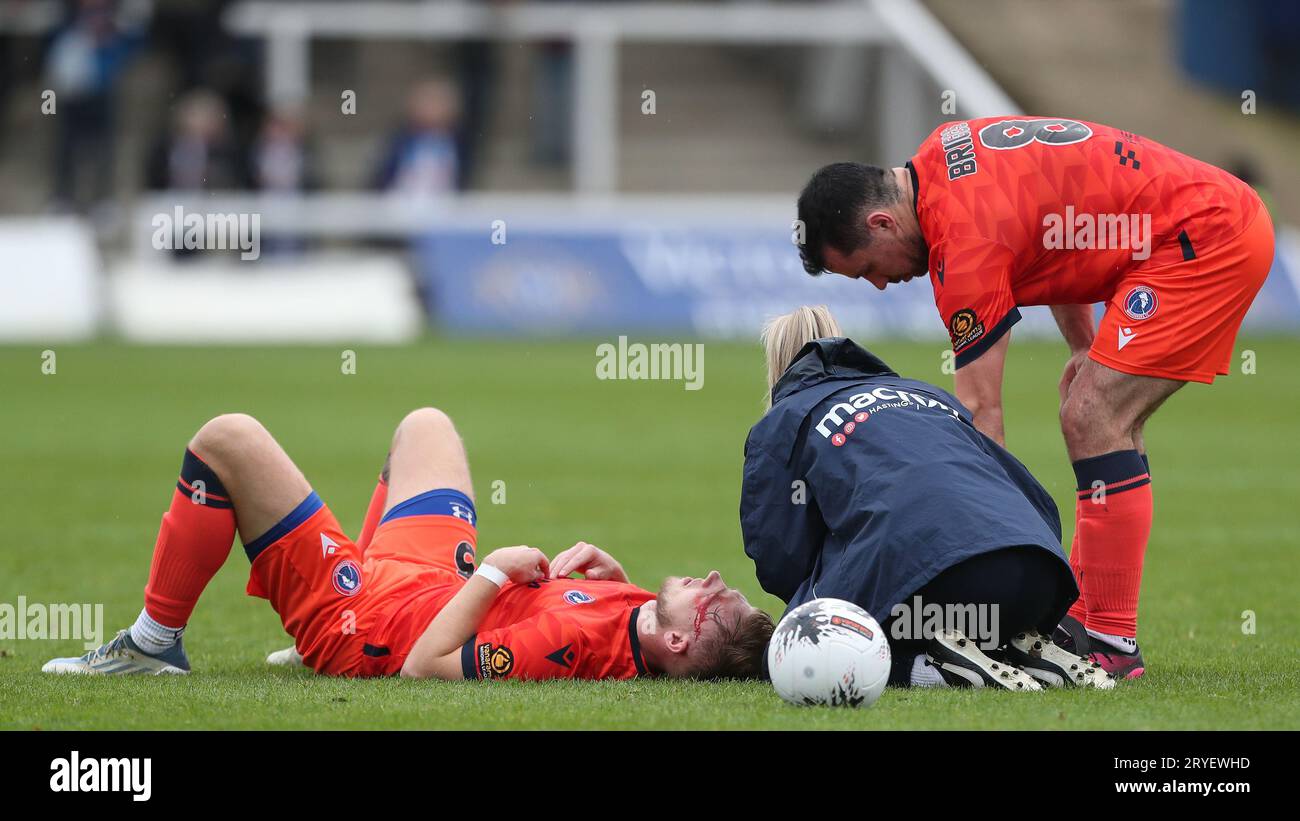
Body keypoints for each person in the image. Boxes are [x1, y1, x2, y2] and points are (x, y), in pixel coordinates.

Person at [794, 117, 1276, 678]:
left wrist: (983, 554)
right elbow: (1055, 237)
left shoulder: (963, 247)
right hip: (1203, 221)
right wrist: (1083, 345)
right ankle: (1083, 616)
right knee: (1094, 409)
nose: (881, 284)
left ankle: (1112, 642)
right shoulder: (942, 148)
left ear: (881, 222)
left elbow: (982, 416)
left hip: (1203, 239)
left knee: (1093, 416)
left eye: (869, 270)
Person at [44, 409, 773, 681]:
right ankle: (328, 600)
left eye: (716, 598)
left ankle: (152, 641)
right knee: (425, 425)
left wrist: (490, 570)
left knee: (225, 439)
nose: (713, 576)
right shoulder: (642, 620)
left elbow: (426, 667)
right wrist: (626, 583)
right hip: (421, 578)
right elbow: (612, 633)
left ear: (678, 643)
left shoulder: (560, 640)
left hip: (372, 624)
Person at [741, 306, 1111, 690]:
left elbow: (778, 557)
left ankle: (936, 670)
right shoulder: (925, 393)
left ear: (777, 367)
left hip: (938, 589)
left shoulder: (782, 422)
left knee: (791, 646)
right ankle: (1016, 646)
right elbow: (1032, 494)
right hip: (1037, 575)